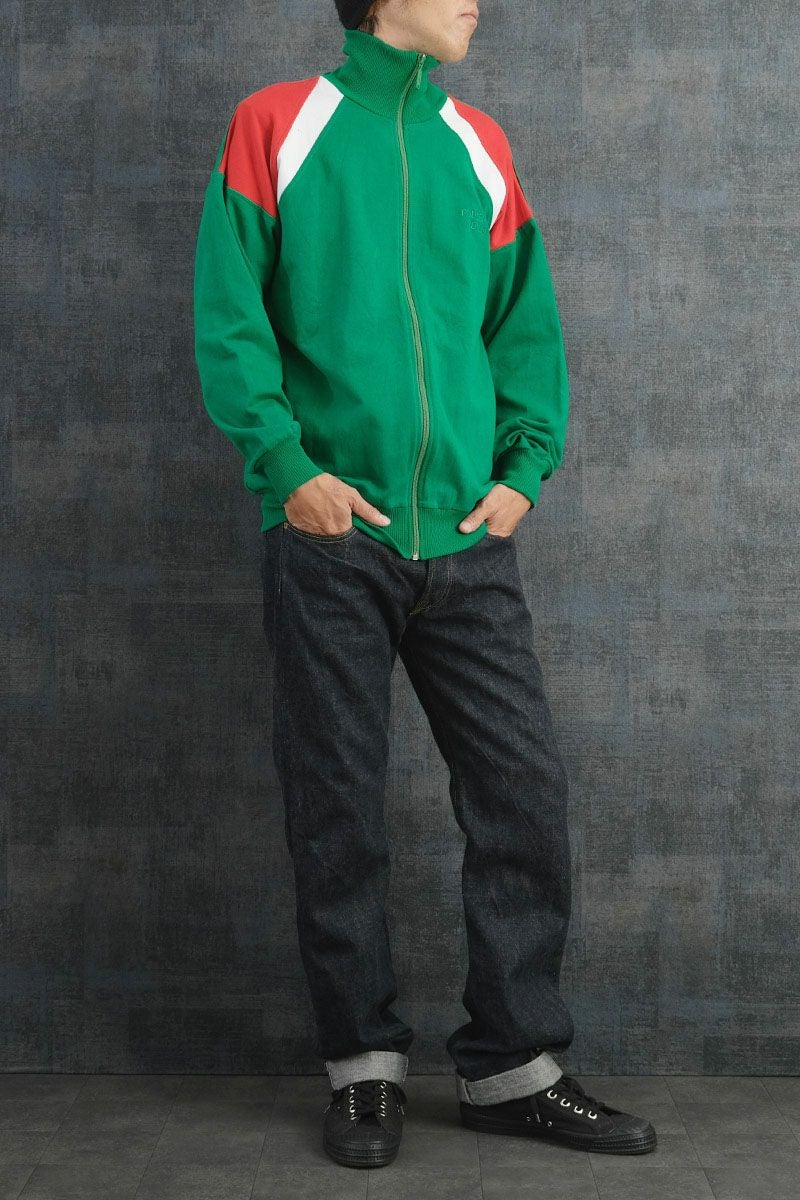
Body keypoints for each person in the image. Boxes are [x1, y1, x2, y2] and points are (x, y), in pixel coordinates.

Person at [193, 0, 657, 1170]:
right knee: (337, 808)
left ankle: (511, 1068)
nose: (473, 0)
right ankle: (362, 1069)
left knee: (521, 793)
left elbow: (522, 325)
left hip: (466, 538)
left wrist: (522, 470)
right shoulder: (277, 124)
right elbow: (230, 315)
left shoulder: (478, 143)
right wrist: (287, 468)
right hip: (330, 537)